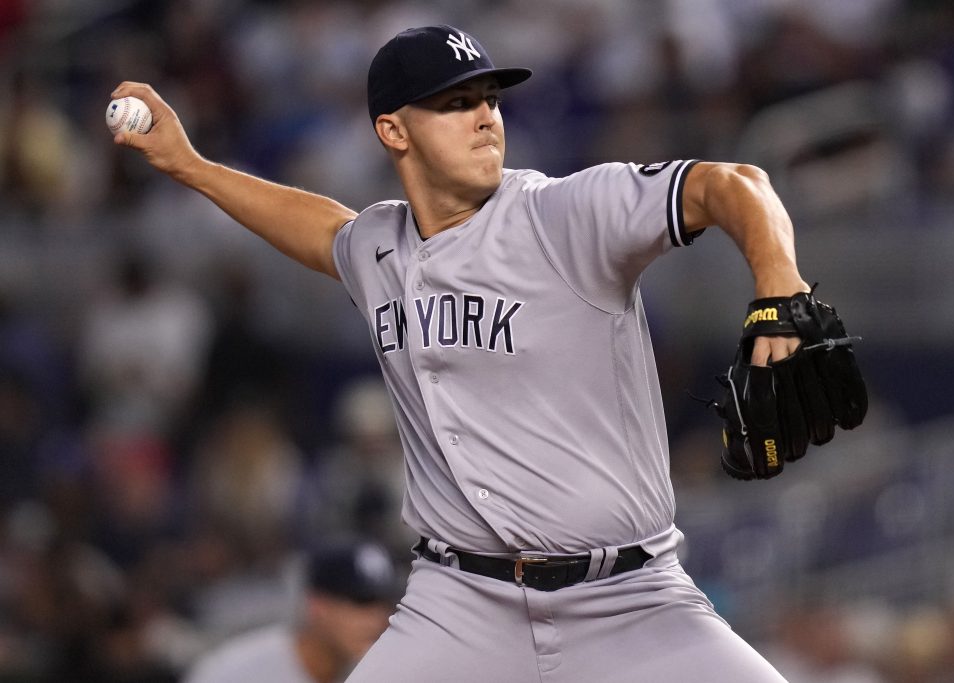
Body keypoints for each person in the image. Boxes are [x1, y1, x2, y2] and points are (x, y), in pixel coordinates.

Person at [111, 23, 825, 682]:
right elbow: (320, 227)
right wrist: (189, 164)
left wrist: (781, 287)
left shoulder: (563, 215)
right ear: (393, 130)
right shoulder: (379, 246)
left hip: (632, 599)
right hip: (461, 603)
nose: (486, 116)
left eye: (489, 97)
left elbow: (734, 184)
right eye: (455, 103)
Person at [183, 540, 398, 683]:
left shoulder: (387, 674)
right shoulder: (233, 674)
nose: (377, 619)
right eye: (361, 602)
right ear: (318, 606)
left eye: (384, 603)